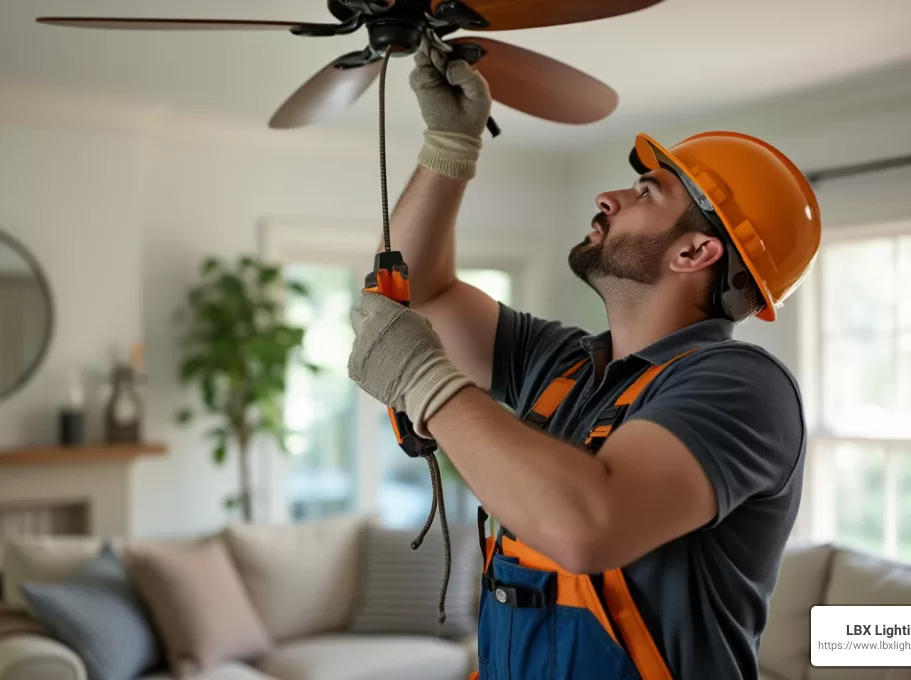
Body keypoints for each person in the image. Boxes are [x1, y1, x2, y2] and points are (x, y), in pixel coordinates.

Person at [347, 39, 821, 680]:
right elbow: (421, 292)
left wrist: (428, 383)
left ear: (694, 254)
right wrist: (448, 147)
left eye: (645, 193)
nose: (608, 196)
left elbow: (587, 527)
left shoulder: (743, 388)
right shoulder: (563, 364)